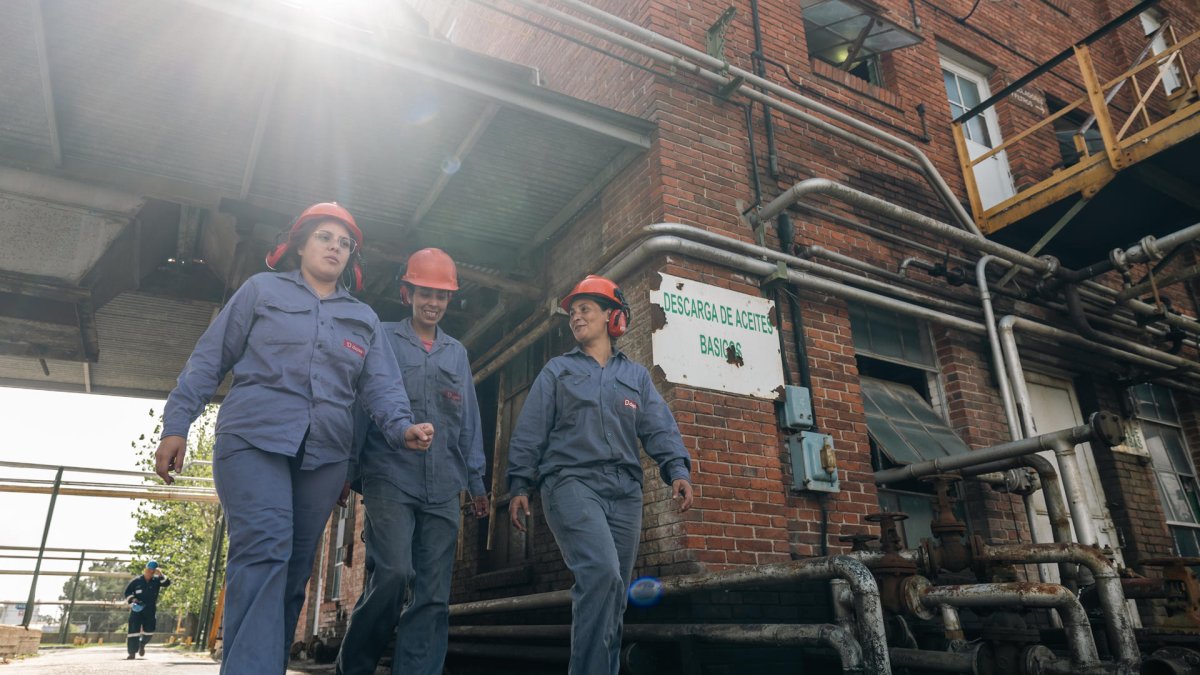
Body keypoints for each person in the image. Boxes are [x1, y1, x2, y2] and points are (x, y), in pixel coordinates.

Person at [153, 202, 435, 675]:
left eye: (345, 244)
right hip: (252, 440)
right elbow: (209, 359)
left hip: (323, 455)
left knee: (292, 572)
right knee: (265, 549)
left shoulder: (362, 319)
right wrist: (177, 424)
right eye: (326, 237)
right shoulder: (260, 292)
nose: (335, 248)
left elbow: (382, 387)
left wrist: (402, 426)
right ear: (300, 244)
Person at [507, 274, 694, 675]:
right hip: (570, 483)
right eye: (572, 312)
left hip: (625, 493)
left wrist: (676, 469)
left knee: (613, 595)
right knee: (602, 575)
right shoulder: (557, 372)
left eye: (585, 309)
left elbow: (659, 427)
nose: (575, 317)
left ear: (613, 317)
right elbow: (531, 429)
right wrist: (520, 483)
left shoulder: (636, 377)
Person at [336, 248, 488, 675]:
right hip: (390, 476)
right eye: (425, 293)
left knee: (434, 593)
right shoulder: (381, 337)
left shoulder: (456, 353)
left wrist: (476, 483)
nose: (433, 303)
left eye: (441, 296)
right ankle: (355, 668)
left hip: (443, 483)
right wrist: (347, 470)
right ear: (408, 293)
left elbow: (468, 421)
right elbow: (361, 406)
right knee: (393, 573)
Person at [123, 560, 171, 660]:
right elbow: (127, 592)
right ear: (145, 569)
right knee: (133, 631)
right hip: (137, 610)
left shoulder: (157, 581)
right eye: (149, 570)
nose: (150, 572)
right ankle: (132, 653)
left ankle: (142, 643)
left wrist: (161, 574)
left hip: (150, 610)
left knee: (149, 631)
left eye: (152, 571)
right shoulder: (136, 581)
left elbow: (167, 583)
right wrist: (133, 599)